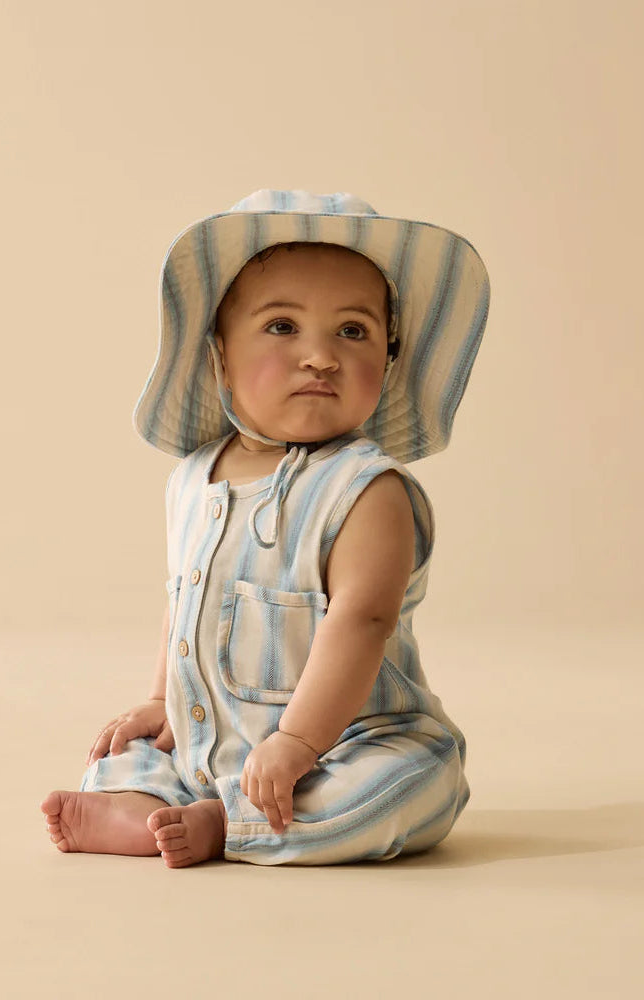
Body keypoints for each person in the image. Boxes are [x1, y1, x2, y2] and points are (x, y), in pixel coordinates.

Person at [41, 189, 491, 867]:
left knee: (411, 785)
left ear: (390, 359)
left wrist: (299, 744)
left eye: (353, 331)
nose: (320, 356)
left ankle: (229, 824)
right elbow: (182, 600)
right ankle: (145, 804)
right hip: (209, 738)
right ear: (219, 352)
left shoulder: (365, 490)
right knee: (122, 753)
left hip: (346, 741)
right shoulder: (193, 478)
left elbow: (361, 622)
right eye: (282, 327)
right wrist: (162, 699)